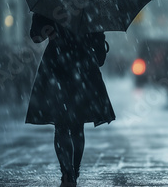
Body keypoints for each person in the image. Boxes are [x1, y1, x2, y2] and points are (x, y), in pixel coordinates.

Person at [26, 13, 115, 186]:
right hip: (83, 70)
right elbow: (100, 57)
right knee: (77, 126)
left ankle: (67, 173)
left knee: (61, 125)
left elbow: (36, 37)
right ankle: (73, 171)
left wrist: (49, 29)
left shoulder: (49, 5)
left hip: (56, 67)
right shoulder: (91, 8)